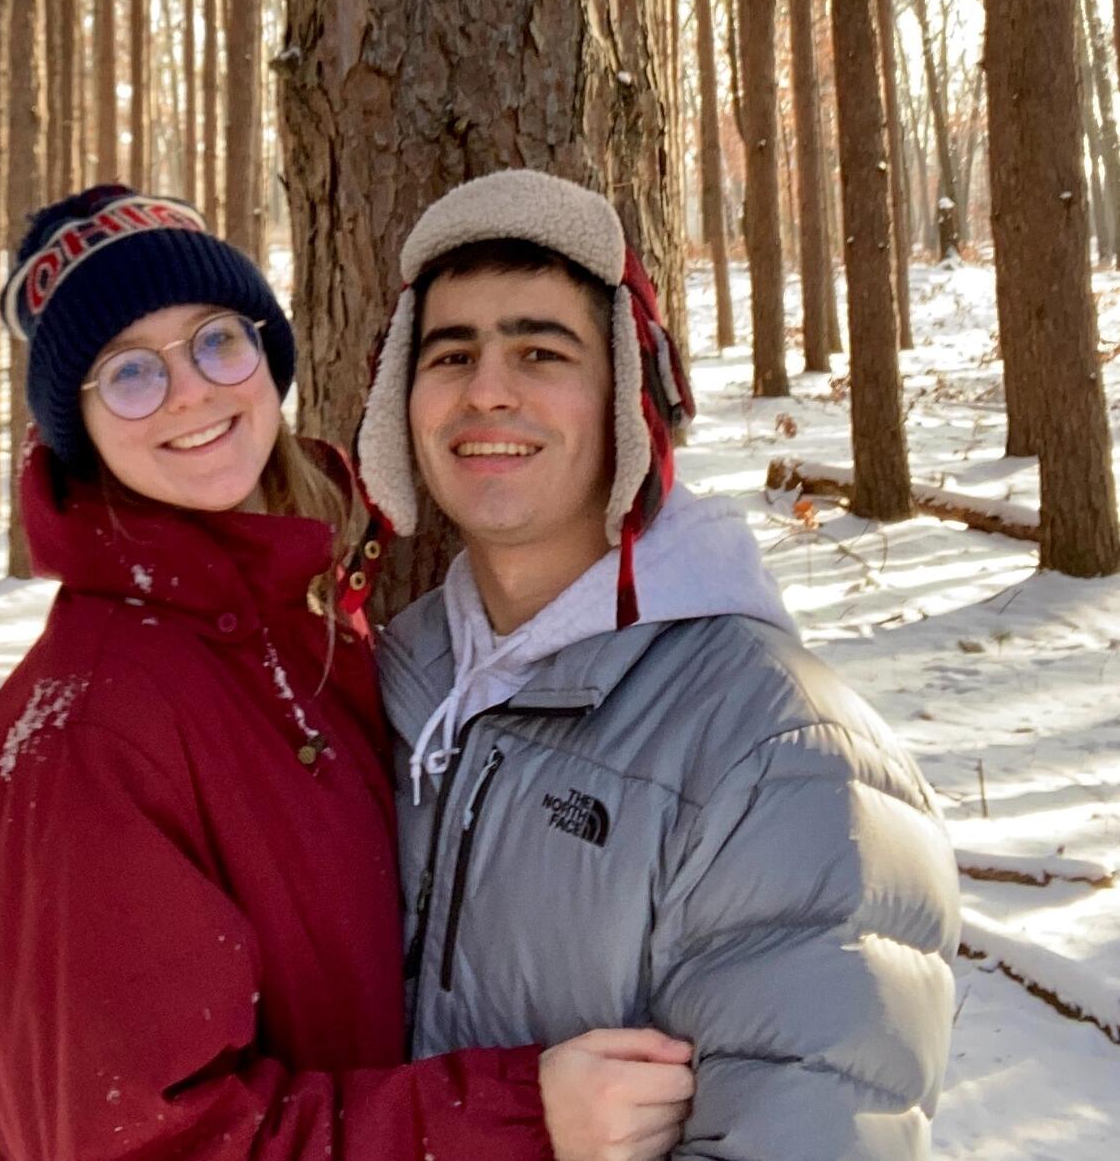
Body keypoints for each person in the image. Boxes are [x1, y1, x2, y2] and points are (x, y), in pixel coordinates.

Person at [0, 181, 697, 1161]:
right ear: (76, 427)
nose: (192, 391)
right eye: (130, 372)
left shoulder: (300, 632)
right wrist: (514, 1116)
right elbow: (147, 1147)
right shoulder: (81, 740)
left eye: (216, 339)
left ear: (264, 352)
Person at [355, 167, 959, 1160]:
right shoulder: (387, 685)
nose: (487, 389)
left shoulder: (783, 756)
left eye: (541, 351)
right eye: (450, 353)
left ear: (630, 402)